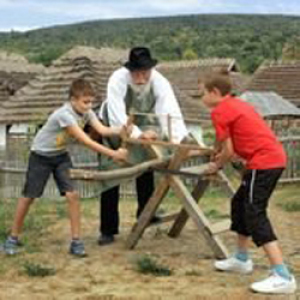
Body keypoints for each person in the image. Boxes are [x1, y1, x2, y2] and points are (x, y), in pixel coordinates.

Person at [4, 79, 127, 257]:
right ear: (73, 100)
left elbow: (102, 130)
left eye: (91, 102)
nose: (89, 106)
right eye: (85, 102)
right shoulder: (64, 115)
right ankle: (12, 238)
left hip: (60, 156)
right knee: (29, 197)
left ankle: (76, 242)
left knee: (72, 195)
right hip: (41, 156)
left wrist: (122, 130)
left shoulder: (88, 112)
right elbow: (86, 141)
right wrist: (113, 154)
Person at [201, 71, 297, 294]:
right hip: (271, 158)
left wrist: (216, 165)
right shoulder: (236, 104)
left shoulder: (220, 111)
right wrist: (219, 153)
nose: (201, 97)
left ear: (215, 93)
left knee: (255, 213)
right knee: (239, 204)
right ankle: (242, 259)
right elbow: (229, 142)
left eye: (202, 93)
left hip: (264, 162)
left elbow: (229, 150)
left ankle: (283, 276)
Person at [98, 46, 189, 245]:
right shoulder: (117, 80)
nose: (140, 77)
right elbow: (116, 115)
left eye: (144, 72)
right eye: (136, 73)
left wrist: (178, 141)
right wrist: (139, 134)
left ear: (150, 70)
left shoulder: (160, 82)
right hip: (114, 130)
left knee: (147, 167)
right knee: (110, 174)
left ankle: (146, 213)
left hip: (145, 127)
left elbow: (170, 112)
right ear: (129, 71)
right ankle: (108, 229)